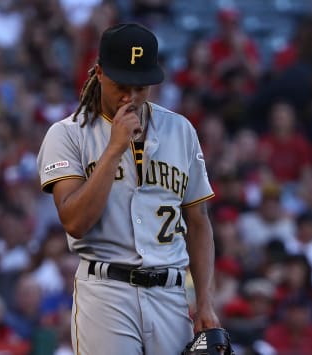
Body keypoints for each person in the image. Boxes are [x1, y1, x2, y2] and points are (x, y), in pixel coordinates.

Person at [37, 23, 220, 355]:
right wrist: (113, 149)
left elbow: (198, 221)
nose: (131, 97)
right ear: (99, 73)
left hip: (170, 293)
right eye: (122, 85)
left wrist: (205, 302)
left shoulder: (180, 130)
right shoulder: (68, 135)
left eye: (140, 87)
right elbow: (74, 221)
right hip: (107, 291)